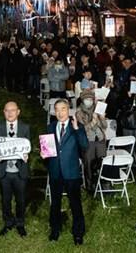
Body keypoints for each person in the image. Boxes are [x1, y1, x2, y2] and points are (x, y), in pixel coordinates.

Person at [46, 99, 88, 246]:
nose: (60, 112)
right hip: (55, 171)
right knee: (55, 203)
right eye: (57, 109)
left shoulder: (76, 126)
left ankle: (78, 233)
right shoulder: (50, 127)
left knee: (75, 203)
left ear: (68, 110)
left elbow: (84, 145)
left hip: (71, 172)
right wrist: (45, 155)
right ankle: (55, 230)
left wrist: (77, 129)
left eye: (63, 109)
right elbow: (47, 148)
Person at [0, 101, 30, 237]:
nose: (10, 113)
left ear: (18, 112)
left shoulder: (25, 128)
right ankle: (8, 222)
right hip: (4, 171)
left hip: (20, 171)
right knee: (5, 199)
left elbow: (27, 147)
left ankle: (20, 223)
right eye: (7, 110)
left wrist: (26, 155)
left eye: (12, 110)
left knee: (21, 200)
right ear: (4, 112)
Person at [75, 89, 107, 192]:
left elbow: (105, 126)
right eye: (87, 99)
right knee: (88, 164)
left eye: (91, 99)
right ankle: (89, 186)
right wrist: (93, 120)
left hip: (100, 140)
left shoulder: (97, 109)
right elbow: (84, 129)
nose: (89, 101)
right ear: (83, 100)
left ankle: (101, 184)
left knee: (101, 162)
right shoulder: (79, 113)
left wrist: (102, 118)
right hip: (88, 141)